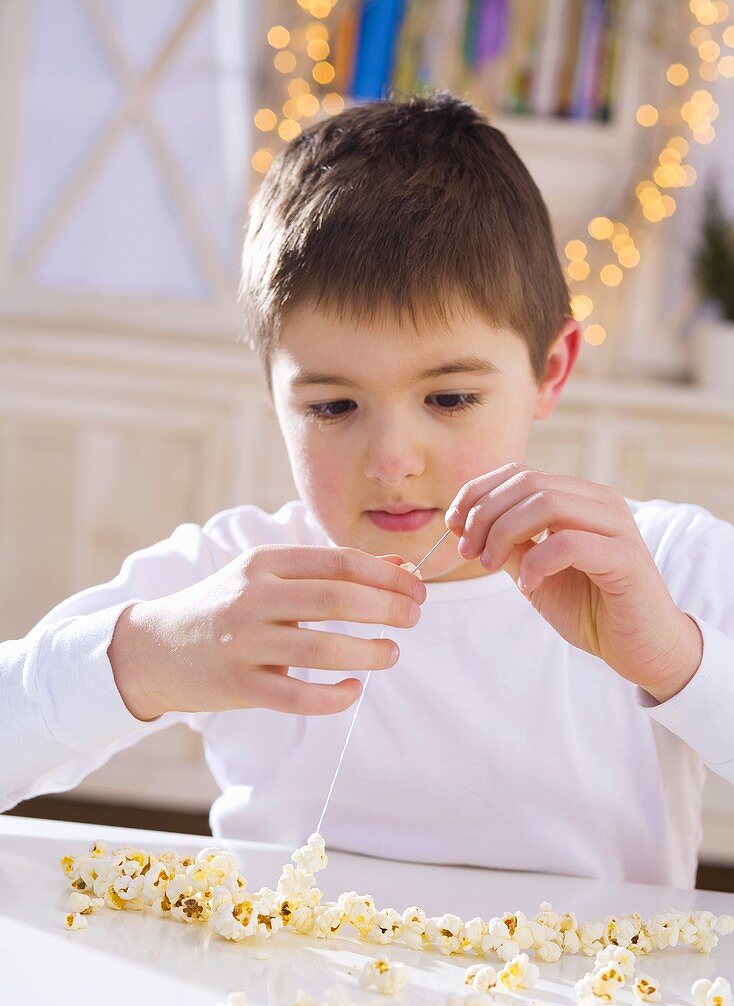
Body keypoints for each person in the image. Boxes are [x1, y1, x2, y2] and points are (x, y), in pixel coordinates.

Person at [2, 93, 732, 890]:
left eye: (449, 399)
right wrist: (142, 658)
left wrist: (677, 661)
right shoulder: (234, 579)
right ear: (272, 390)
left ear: (548, 371)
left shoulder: (662, 566)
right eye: (332, 406)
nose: (391, 461)